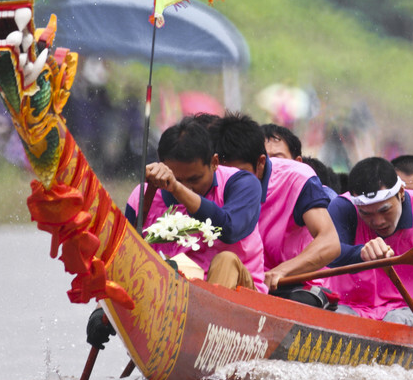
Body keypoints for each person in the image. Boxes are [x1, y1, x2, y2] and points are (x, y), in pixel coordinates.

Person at [326, 157, 413, 370]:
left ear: (401, 193)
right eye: (366, 214)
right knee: (337, 320)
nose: (377, 222)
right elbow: (329, 255)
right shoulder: (343, 207)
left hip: (407, 310)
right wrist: (360, 253)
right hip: (352, 308)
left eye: (385, 210)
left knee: (393, 322)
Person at [209, 114, 341, 304]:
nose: (233, 182)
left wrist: (282, 270)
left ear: (261, 162)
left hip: (293, 284)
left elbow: (330, 243)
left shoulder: (297, 177)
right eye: (225, 173)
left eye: (240, 174)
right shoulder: (214, 179)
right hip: (245, 279)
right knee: (225, 261)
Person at [125, 117, 266, 292]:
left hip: (238, 294)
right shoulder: (141, 195)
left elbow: (229, 230)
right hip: (168, 293)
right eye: (177, 179)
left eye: (194, 179)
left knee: (226, 259)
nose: (187, 187)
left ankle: (208, 315)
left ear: (214, 163)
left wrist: (176, 187)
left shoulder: (243, 183)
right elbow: (124, 255)